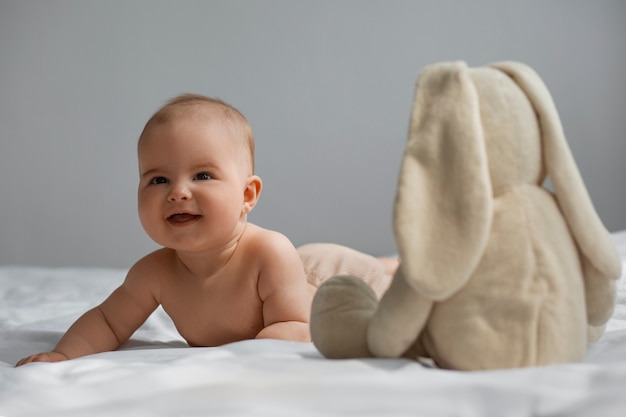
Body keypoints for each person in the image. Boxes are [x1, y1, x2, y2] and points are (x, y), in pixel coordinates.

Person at [16, 94, 397, 366]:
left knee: (386, 285)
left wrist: (247, 357)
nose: (178, 192)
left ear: (247, 195)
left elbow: (295, 325)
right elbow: (107, 321)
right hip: (295, 273)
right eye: (158, 179)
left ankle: (392, 265)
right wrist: (64, 354)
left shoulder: (270, 253)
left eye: (202, 175)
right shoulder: (154, 273)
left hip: (326, 278)